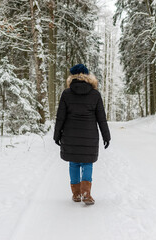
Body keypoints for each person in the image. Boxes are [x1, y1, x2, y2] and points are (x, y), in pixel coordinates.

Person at [53, 64, 111, 205]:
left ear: (72, 77)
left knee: (74, 163)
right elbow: (101, 118)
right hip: (89, 135)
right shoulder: (95, 94)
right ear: (88, 76)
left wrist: (57, 135)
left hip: (70, 134)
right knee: (87, 162)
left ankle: (76, 194)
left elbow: (60, 116)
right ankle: (86, 194)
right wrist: (106, 136)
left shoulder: (66, 94)